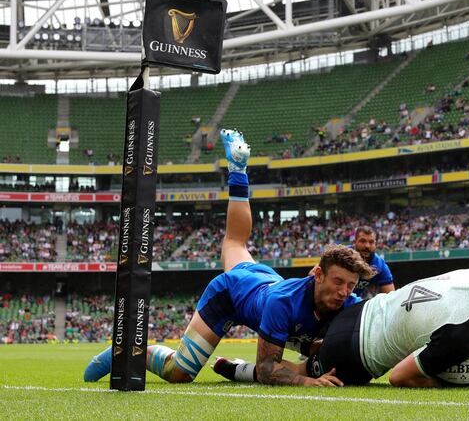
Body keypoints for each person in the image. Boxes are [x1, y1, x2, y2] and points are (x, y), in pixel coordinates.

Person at [83, 129, 374, 386]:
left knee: (235, 240)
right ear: (317, 273)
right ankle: (129, 349)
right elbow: (267, 368)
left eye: (350, 285)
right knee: (180, 373)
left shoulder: (348, 302)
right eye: (338, 282)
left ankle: (238, 170)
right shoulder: (283, 303)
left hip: (260, 279)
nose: (344, 292)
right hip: (231, 293)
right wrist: (306, 381)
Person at [217, 268, 469, 387]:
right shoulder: (460, 337)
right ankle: (242, 371)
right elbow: (399, 377)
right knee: (296, 371)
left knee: (304, 362)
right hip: (354, 354)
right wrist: (444, 381)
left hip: (362, 311)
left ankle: (237, 369)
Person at [351, 226, 395, 297]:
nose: (367, 246)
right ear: (354, 242)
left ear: (375, 244)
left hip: (353, 303)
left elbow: (391, 296)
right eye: (363, 241)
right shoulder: (341, 256)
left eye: (371, 242)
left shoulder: (379, 264)